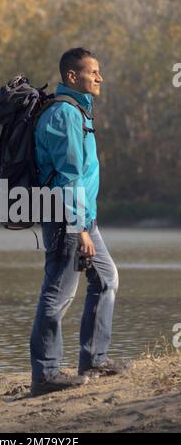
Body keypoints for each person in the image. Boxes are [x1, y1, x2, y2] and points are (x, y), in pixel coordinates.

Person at [30, 47, 131, 397]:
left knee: (106, 279)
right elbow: (68, 178)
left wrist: (87, 222)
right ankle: (45, 376)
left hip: (83, 216)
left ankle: (94, 361)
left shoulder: (77, 111)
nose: (100, 77)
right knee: (58, 293)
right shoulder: (65, 115)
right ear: (72, 76)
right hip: (67, 218)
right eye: (94, 72)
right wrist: (81, 228)